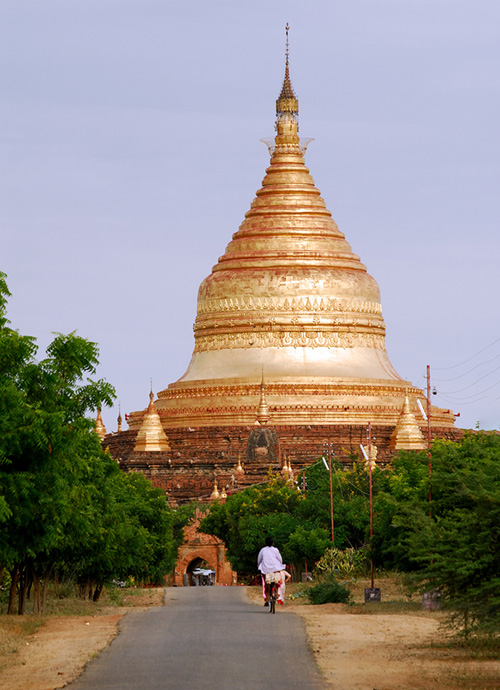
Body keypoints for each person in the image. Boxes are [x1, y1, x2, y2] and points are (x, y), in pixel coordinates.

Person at [257, 536, 285, 606]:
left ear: (265, 543)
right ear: (272, 543)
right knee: (276, 582)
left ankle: (266, 599)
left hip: (265, 570)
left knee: (267, 584)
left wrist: (258, 565)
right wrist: (280, 564)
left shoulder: (263, 550)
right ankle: (276, 594)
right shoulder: (275, 550)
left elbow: (259, 559)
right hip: (275, 569)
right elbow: (280, 559)